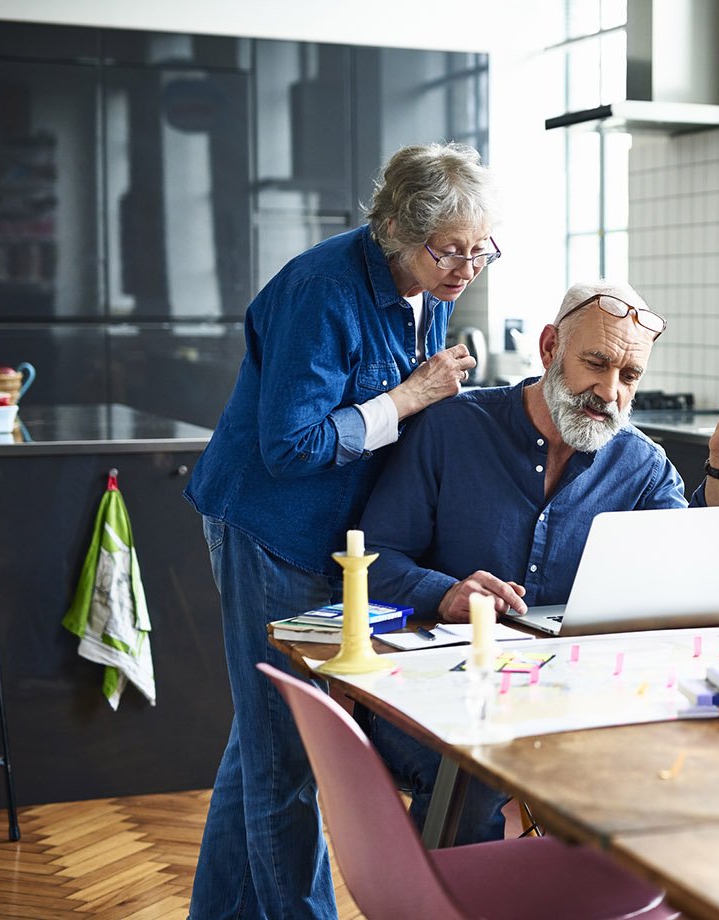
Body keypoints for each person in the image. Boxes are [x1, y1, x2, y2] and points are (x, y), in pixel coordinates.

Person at [183, 141, 500, 920]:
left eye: (479, 249)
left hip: (334, 539)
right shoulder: (323, 291)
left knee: (263, 745)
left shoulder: (435, 282)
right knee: (286, 755)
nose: (465, 269)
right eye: (448, 251)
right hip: (270, 528)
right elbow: (288, 447)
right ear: (395, 230)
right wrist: (409, 396)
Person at [358, 279, 719, 839]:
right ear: (550, 347)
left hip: (575, 694)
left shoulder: (640, 464)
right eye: (596, 364)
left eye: (629, 377)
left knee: (672, 758)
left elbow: (699, 572)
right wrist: (444, 592)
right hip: (436, 689)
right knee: (474, 769)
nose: (609, 392)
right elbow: (374, 557)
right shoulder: (451, 428)